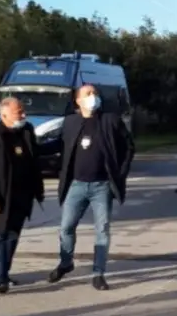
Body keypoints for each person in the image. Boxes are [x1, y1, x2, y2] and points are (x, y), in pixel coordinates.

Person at [49, 85, 135, 291]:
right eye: (88, 94)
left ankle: (98, 273)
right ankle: (66, 262)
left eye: (95, 93)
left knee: (102, 229)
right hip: (76, 184)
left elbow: (128, 147)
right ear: (78, 101)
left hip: (101, 186)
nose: (93, 97)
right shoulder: (70, 122)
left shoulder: (110, 120)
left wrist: (119, 173)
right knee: (66, 227)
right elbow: (59, 146)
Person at [0, 97, 45, 294]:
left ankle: (4, 272)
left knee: (12, 236)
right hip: (1, 196)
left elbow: (36, 152)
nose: (23, 115)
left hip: (22, 195)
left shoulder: (26, 131)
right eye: (18, 112)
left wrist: (65, 142)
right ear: (4, 115)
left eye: (22, 111)